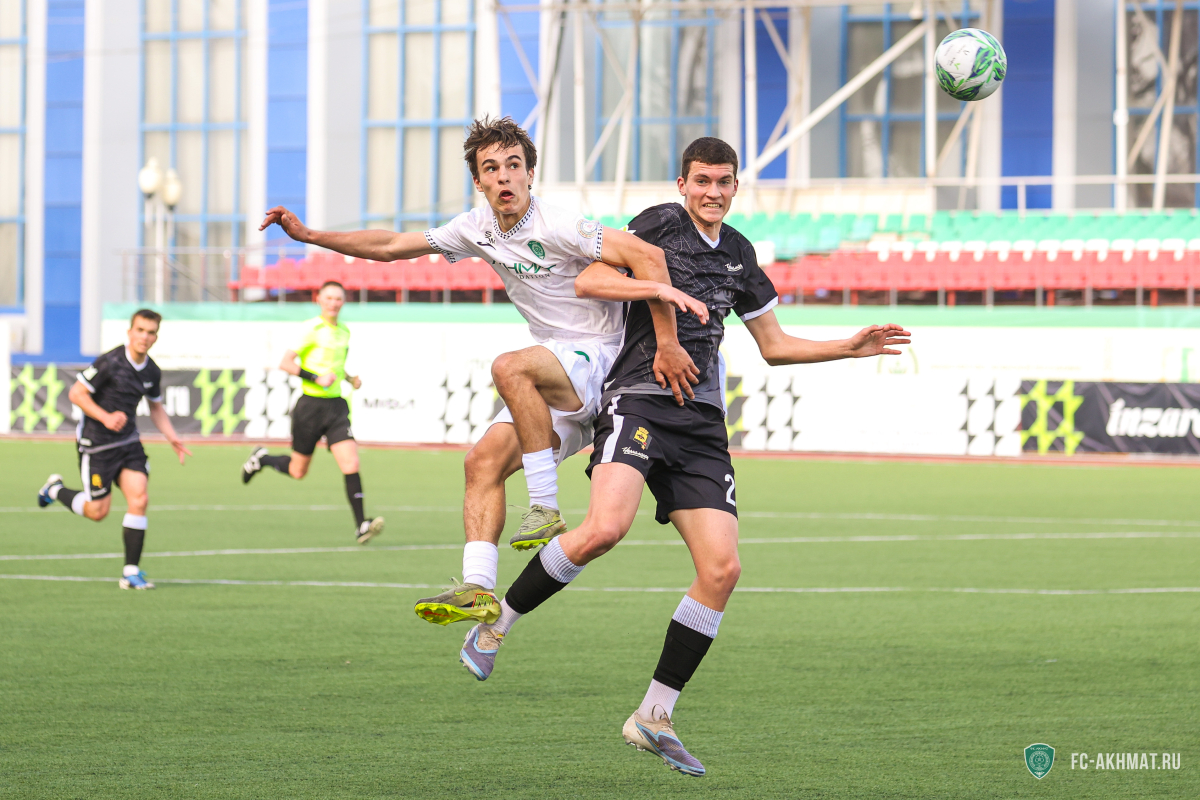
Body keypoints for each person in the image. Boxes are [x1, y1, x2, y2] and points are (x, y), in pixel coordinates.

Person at [455, 137, 912, 777]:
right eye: (702, 181)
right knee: (604, 529)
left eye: (723, 182)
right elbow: (589, 279)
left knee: (722, 570)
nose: (712, 193)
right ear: (683, 184)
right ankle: (496, 623)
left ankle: (654, 715)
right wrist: (664, 323)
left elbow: (774, 346)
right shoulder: (659, 224)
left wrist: (849, 346)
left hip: (700, 422)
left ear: (735, 187)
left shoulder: (740, 253)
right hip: (638, 400)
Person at [259, 116, 706, 623]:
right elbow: (390, 247)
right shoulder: (474, 229)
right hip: (554, 369)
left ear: (530, 174)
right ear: (478, 181)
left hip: (598, 358)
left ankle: (544, 506)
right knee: (481, 464)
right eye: (491, 168)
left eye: (513, 165)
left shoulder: (559, 224)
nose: (503, 176)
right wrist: (309, 235)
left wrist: (667, 344)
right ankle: (477, 588)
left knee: (509, 367)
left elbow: (648, 256)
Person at [37, 309, 192, 590]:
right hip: (97, 446)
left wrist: (172, 437)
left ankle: (130, 573)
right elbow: (76, 393)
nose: (145, 337)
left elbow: (155, 407)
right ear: (130, 332)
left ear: (156, 337)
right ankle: (55, 490)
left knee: (140, 499)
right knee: (97, 511)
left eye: (151, 332)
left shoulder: (152, 370)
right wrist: (105, 417)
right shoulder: (110, 362)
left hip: (129, 443)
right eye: (140, 330)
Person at [241, 280, 384, 543]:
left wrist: (350, 379)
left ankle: (361, 524)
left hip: (336, 407)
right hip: (310, 407)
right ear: (319, 299)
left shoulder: (344, 331)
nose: (333, 303)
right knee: (298, 471)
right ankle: (262, 459)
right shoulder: (310, 329)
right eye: (329, 298)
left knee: (351, 462)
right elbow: (286, 363)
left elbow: (336, 368)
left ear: (343, 302)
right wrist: (315, 378)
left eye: (338, 299)